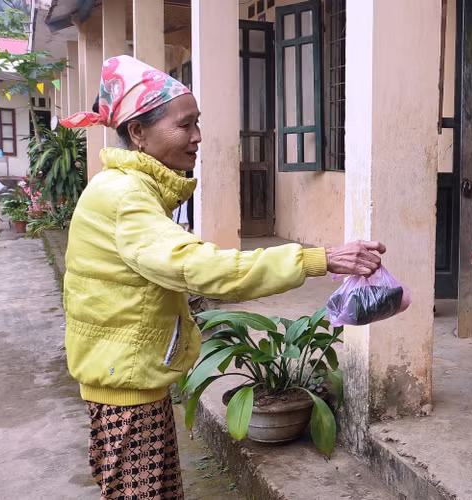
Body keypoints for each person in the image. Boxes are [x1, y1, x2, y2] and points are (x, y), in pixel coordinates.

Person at [60, 55, 385, 500]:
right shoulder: (126, 198)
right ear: (138, 133)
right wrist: (318, 259)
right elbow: (204, 269)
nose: (197, 137)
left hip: (126, 377)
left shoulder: (127, 190)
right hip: (126, 390)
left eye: (198, 123)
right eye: (184, 125)